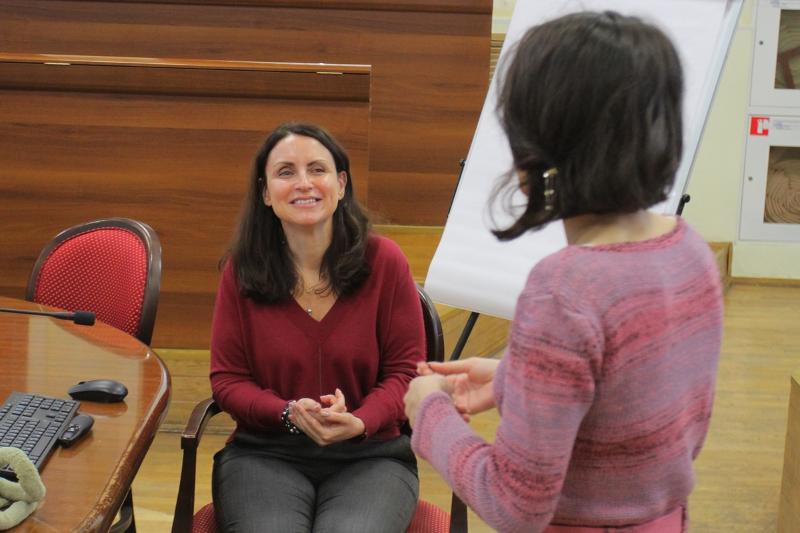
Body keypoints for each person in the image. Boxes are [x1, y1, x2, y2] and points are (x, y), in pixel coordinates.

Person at [404, 11, 723, 533]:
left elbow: (515, 505)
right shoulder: (690, 250)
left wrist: (429, 415)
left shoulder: (564, 290)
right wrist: (517, 377)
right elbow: (636, 411)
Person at [210, 122, 425, 532]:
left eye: (317, 169)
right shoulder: (242, 271)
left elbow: (407, 374)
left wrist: (361, 421)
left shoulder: (385, 261)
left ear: (341, 185)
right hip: (264, 455)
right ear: (265, 193)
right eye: (286, 172)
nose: (304, 183)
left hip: (372, 456)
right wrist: (287, 413)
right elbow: (228, 381)